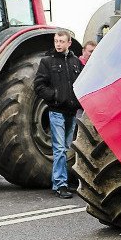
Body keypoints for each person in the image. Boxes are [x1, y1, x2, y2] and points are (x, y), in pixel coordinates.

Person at [34, 29, 83, 199]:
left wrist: (78, 101)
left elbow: (82, 83)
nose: (58, 44)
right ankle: (61, 184)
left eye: (62, 41)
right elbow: (39, 85)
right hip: (56, 112)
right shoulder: (47, 62)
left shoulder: (76, 62)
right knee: (60, 149)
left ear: (69, 43)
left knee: (66, 148)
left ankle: (58, 183)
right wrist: (54, 96)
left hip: (71, 112)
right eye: (56, 41)